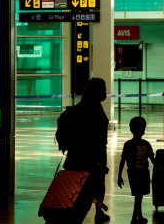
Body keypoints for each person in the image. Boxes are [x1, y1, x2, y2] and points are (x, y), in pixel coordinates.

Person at [60, 77, 110, 223]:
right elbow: (99, 141)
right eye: (103, 89)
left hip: (75, 158)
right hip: (92, 161)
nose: (105, 93)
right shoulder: (95, 110)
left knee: (77, 192)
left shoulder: (78, 109)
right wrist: (101, 162)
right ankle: (96, 213)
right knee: (91, 192)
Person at [118, 117, 155, 224]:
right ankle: (135, 217)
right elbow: (153, 161)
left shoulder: (128, 144)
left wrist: (119, 176)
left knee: (138, 196)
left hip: (132, 173)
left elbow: (122, 161)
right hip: (143, 173)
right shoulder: (146, 144)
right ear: (144, 130)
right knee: (139, 196)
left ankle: (138, 216)